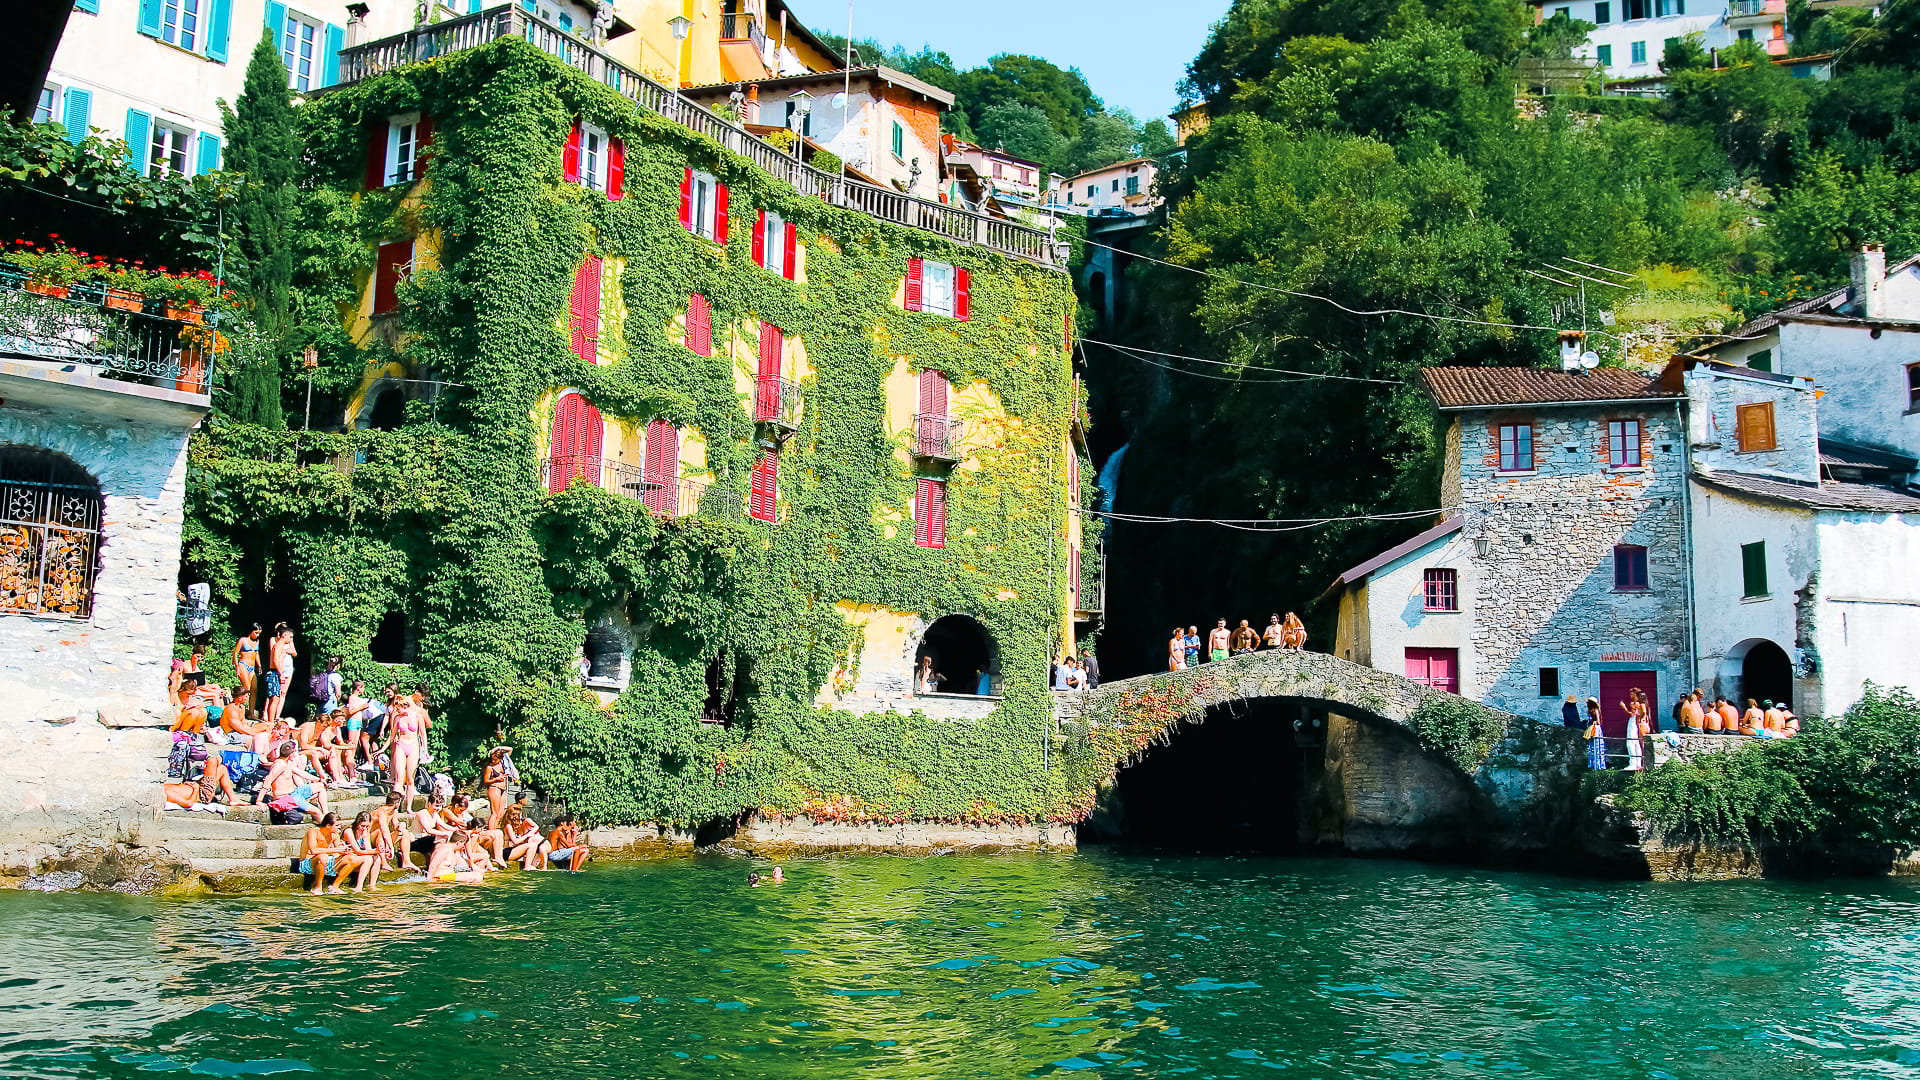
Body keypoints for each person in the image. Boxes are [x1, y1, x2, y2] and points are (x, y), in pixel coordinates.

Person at [260, 742, 330, 820]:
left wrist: (319, 779)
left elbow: (301, 773)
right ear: (291, 754)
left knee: (320, 786)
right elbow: (268, 780)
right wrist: (259, 801)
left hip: (295, 792)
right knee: (317, 811)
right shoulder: (279, 765)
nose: (296, 754)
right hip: (287, 797)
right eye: (295, 751)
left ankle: (327, 814)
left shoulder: (287, 763)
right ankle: (326, 825)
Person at [297, 813, 353, 895]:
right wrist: (336, 849)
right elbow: (313, 851)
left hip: (325, 861)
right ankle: (318, 888)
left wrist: (345, 850)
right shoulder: (313, 832)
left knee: (351, 858)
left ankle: (335, 887)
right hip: (307, 863)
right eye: (337, 825)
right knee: (323, 857)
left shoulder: (334, 835)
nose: (339, 827)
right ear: (328, 826)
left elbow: (339, 850)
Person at [163, 752, 238, 811]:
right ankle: (232, 799)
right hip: (203, 793)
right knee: (212, 760)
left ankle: (233, 799)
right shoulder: (165, 793)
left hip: (199, 786)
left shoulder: (163, 788)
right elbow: (188, 804)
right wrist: (195, 789)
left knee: (222, 768)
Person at [386, 689, 425, 800]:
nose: (396, 710)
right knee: (399, 777)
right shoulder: (398, 718)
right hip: (401, 745)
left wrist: (424, 750)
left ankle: (408, 806)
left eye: (398, 708)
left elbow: (423, 734)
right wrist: (381, 749)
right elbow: (392, 735)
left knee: (410, 779)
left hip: (413, 746)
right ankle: (394, 803)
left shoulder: (417, 715)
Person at [410, 791, 455, 867]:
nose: (438, 808)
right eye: (436, 806)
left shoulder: (435, 814)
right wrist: (445, 834)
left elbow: (444, 825)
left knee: (445, 839)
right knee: (441, 837)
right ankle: (436, 863)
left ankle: (441, 862)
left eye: (440, 806)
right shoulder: (422, 813)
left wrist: (456, 830)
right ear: (429, 804)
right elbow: (429, 830)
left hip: (426, 840)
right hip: (415, 842)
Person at [264, 624, 296, 727]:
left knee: (276, 698)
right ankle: (270, 721)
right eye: (290, 637)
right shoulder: (278, 645)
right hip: (274, 673)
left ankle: (272, 720)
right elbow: (275, 660)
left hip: (277, 673)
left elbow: (294, 652)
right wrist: (281, 673)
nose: (291, 639)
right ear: (284, 635)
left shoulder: (281, 645)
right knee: (274, 698)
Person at [345, 811, 384, 892]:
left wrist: (378, 851)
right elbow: (358, 851)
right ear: (357, 822)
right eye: (362, 826)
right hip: (348, 858)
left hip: (358, 857)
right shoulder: (349, 831)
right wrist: (375, 851)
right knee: (368, 859)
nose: (364, 828)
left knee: (377, 858)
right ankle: (359, 887)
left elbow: (368, 849)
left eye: (367, 826)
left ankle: (372, 885)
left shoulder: (365, 832)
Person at [232, 624, 262, 718]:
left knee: (254, 689)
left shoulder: (257, 641)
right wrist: (236, 666)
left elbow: (256, 653)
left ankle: (251, 713)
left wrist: (259, 665)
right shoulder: (243, 640)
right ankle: (238, 708)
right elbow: (236, 653)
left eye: (259, 633)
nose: (257, 635)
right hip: (243, 665)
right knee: (247, 689)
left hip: (252, 667)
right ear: (251, 631)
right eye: (256, 633)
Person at [482, 747, 513, 831]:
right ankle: (491, 832)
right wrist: (496, 779)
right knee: (495, 813)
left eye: (495, 760)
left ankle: (494, 830)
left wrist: (498, 748)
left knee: (500, 814)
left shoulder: (504, 763)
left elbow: (510, 749)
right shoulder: (490, 767)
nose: (493, 761)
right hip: (495, 788)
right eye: (492, 759)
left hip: (503, 789)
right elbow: (486, 780)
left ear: (500, 759)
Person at [1584, 698, 1607, 770]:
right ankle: (1592, 764)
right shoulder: (1589, 711)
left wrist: (1594, 722)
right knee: (1591, 747)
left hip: (1596, 729)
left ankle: (1598, 765)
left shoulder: (1596, 710)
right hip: (1591, 729)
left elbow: (1599, 722)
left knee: (1596, 746)